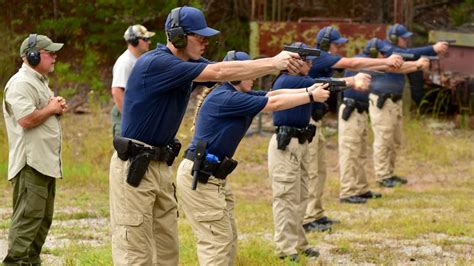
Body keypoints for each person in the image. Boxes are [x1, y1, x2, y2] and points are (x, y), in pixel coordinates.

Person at [108, 6, 305, 265]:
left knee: (167, 252)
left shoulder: (185, 65)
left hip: (159, 165)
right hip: (135, 166)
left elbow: (229, 69)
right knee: (135, 253)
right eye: (199, 37)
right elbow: (221, 73)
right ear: (178, 37)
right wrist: (272, 63)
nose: (205, 42)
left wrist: (279, 67)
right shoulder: (157, 63)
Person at [176, 50, 330, 265]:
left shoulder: (235, 94)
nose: (254, 76)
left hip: (212, 176)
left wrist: (307, 90)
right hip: (201, 177)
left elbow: (272, 96)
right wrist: (311, 96)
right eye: (250, 72)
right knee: (217, 241)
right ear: (236, 75)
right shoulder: (227, 97)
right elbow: (274, 105)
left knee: (226, 238)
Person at [268, 42, 371, 262]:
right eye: (306, 60)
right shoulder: (288, 80)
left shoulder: (300, 80)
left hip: (301, 141)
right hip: (287, 145)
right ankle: (286, 250)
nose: (311, 63)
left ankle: (298, 243)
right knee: (286, 197)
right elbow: (320, 84)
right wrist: (352, 80)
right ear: (294, 62)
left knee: (301, 195)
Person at [303, 26, 399, 232]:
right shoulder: (321, 56)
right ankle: (308, 217)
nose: (339, 49)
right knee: (312, 171)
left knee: (319, 171)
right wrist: (385, 61)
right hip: (306, 120)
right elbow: (353, 63)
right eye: (337, 44)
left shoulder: (320, 60)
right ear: (328, 44)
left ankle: (315, 214)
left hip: (314, 121)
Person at [338, 38, 430, 204]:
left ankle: (360, 188)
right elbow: (394, 68)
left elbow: (394, 67)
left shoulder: (368, 61)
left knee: (360, 153)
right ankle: (348, 191)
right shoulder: (362, 62)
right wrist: (417, 65)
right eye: (383, 54)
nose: (386, 56)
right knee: (351, 153)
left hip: (361, 111)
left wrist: (416, 64)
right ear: (375, 53)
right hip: (352, 111)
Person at [2, 34, 66, 265]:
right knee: (28, 222)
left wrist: (54, 107)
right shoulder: (21, 83)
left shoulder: (37, 82)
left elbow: (41, 112)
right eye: (49, 52)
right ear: (33, 55)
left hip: (43, 164)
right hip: (31, 165)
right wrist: (51, 109)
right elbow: (27, 119)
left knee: (41, 223)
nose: (54, 56)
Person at [369, 24, 449, 188]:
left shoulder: (397, 53)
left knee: (393, 140)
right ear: (393, 37)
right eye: (403, 37)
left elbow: (411, 55)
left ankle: (389, 173)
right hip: (383, 101)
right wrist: (433, 48)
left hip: (394, 102)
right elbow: (412, 54)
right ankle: (382, 176)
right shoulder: (387, 49)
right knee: (383, 140)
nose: (406, 40)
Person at [110, 24, 155, 137]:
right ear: (134, 41)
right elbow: (117, 91)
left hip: (135, 113)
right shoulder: (125, 62)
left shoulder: (138, 60)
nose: (148, 42)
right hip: (126, 114)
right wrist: (129, 118)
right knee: (125, 151)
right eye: (145, 39)